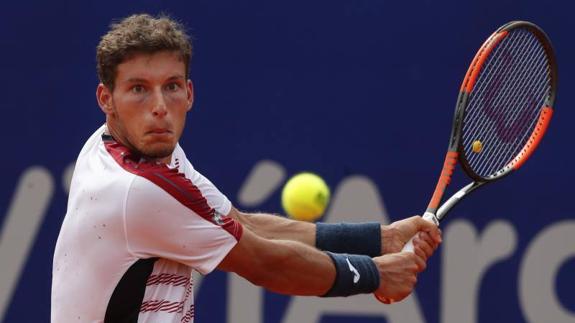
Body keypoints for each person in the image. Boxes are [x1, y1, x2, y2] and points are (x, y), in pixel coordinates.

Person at [51, 14, 442, 323]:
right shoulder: (139, 189)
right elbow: (267, 263)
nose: (159, 105)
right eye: (138, 89)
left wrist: (381, 240)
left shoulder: (116, 146)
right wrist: (375, 274)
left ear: (189, 93)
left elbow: (241, 223)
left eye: (171, 86)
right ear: (107, 98)